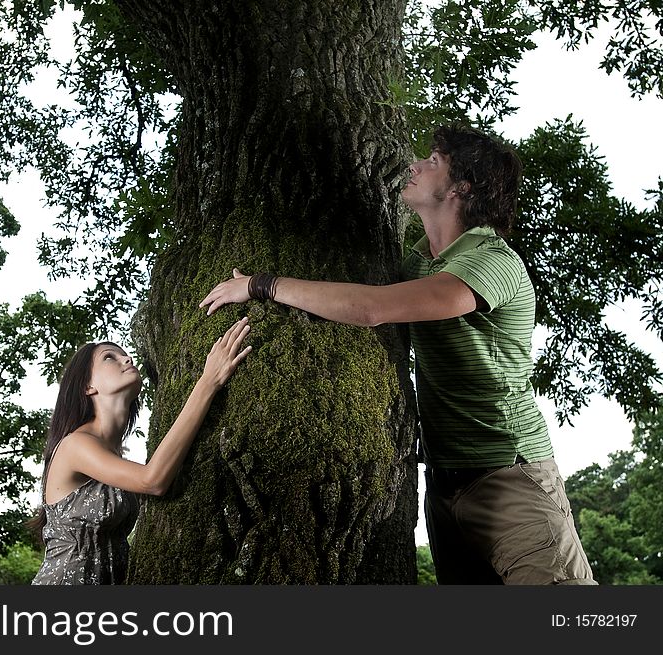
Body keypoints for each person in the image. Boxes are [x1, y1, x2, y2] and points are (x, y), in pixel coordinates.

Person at [199, 124, 595, 585]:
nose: (415, 165)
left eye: (433, 161)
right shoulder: (418, 260)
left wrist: (260, 285)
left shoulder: (491, 260)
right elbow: (355, 295)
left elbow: (372, 308)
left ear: (461, 186)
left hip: (510, 478)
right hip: (444, 490)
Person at [29, 317, 252, 585]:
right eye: (110, 358)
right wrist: (208, 382)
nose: (127, 359)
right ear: (88, 386)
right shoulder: (74, 445)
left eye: (126, 355)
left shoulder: (114, 459)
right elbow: (153, 480)